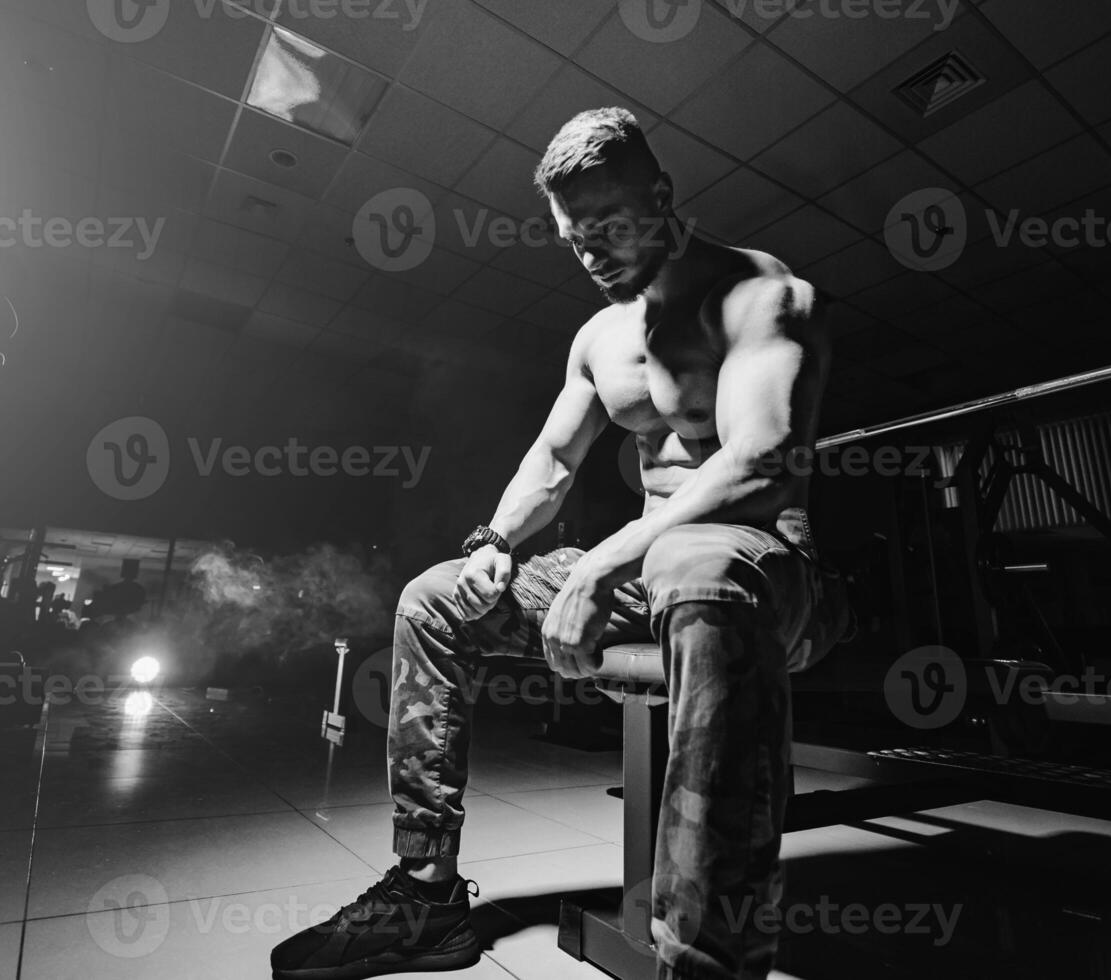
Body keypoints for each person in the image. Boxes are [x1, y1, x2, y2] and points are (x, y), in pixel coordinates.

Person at [272, 107, 848, 980]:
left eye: (610, 227)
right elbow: (552, 458)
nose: (593, 255)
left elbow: (763, 463)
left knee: (699, 569)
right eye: (575, 240)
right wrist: (496, 541)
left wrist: (608, 560)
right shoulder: (600, 337)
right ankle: (427, 898)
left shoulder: (763, 294)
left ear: (661, 195)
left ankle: (708, 960)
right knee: (435, 600)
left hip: (762, 560)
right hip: (648, 562)